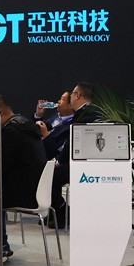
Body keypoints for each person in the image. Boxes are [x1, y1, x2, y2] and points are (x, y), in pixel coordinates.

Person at [0, 95, 47, 266]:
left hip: (24, 193)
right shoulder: (25, 126)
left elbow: (0, 165)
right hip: (34, 188)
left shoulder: (12, 132)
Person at [48, 82, 101, 228]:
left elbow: (74, 141)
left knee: (50, 176)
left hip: (83, 165)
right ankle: (58, 214)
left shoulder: (86, 114)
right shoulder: (90, 112)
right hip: (82, 161)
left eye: (72, 94)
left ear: (77, 95)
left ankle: (62, 213)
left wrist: (59, 160)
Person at [35, 90, 74, 160]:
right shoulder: (56, 116)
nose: (58, 101)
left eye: (62, 99)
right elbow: (38, 130)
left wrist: (46, 135)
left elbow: (57, 152)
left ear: (70, 105)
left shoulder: (70, 127)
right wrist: (39, 115)